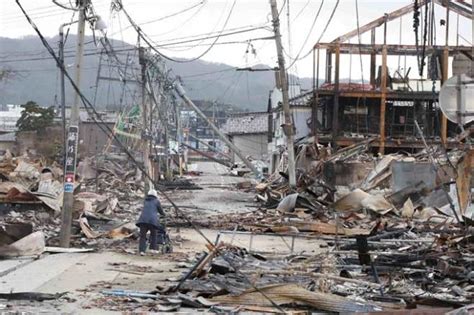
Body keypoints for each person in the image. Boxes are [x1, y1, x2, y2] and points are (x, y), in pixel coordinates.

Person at [136, 188, 165, 255]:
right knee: (154, 234)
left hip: (143, 220)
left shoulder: (145, 200)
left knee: (142, 236)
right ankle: (153, 249)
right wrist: (164, 215)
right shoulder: (156, 201)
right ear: (155, 195)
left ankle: (142, 251)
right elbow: (160, 211)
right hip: (152, 221)